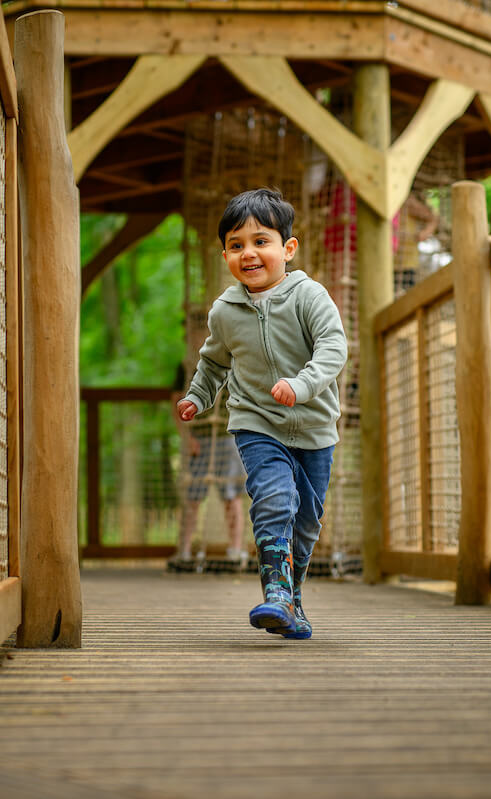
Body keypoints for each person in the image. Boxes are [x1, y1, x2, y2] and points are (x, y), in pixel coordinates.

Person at [176, 188, 348, 639]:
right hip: (257, 424)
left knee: (306, 522)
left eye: (260, 241)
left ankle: (292, 600)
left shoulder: (309, 296)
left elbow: (333, 347)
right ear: (225, 256)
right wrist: (198, 396)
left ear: (287, 249)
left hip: (314, 427)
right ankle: (275, 593)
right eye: (236, 245)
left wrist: (302, 384)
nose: (248, 253)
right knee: (274, 499)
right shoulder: (225, 311)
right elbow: (214, 362)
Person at [170, 360, 247, 568]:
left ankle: (235, 550)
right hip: (199, 437)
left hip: (227, 435)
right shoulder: (186, 365)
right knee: (192, 497)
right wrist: (186, 437)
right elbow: (176, 400)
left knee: (231, 496)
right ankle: (184, 550)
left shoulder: (230, 357)